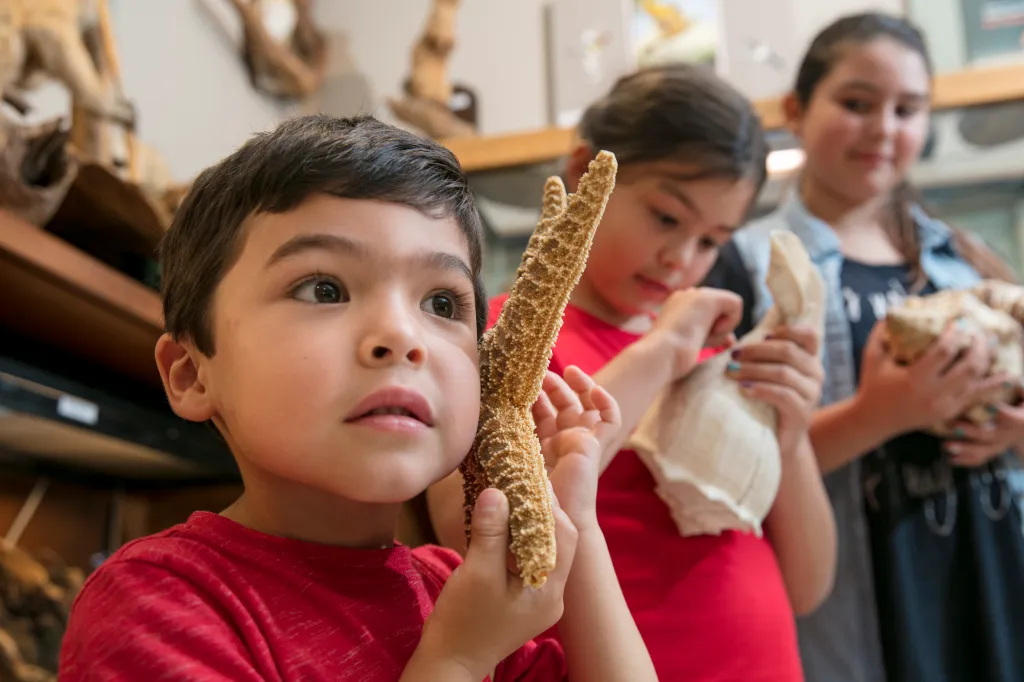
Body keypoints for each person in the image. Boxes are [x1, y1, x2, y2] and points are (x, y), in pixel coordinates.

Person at [57, 115, 661, 682]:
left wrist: (573, 522)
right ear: (192, 373)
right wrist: (455, 660)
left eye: (442, 304)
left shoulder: (463, 588)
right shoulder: (158, 599)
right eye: (324, 288)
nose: (401, 336)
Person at [428, 65, 837, 681]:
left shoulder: (708, 361)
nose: (683, 258)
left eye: (711, 241)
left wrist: (792, 429)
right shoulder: (505, 345)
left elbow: (808, 587)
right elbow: (471, 538)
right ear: (585, 171)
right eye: (667, 218)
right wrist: (662, 350)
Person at [706, 13, 1024, 682]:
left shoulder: (965, 261)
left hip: (990, 582)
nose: (885, 128)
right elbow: (727, 472)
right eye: (856, 103)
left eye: (908, 109)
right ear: (796, 110)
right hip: (853, 611)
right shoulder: (740, 262)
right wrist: (879, 414)